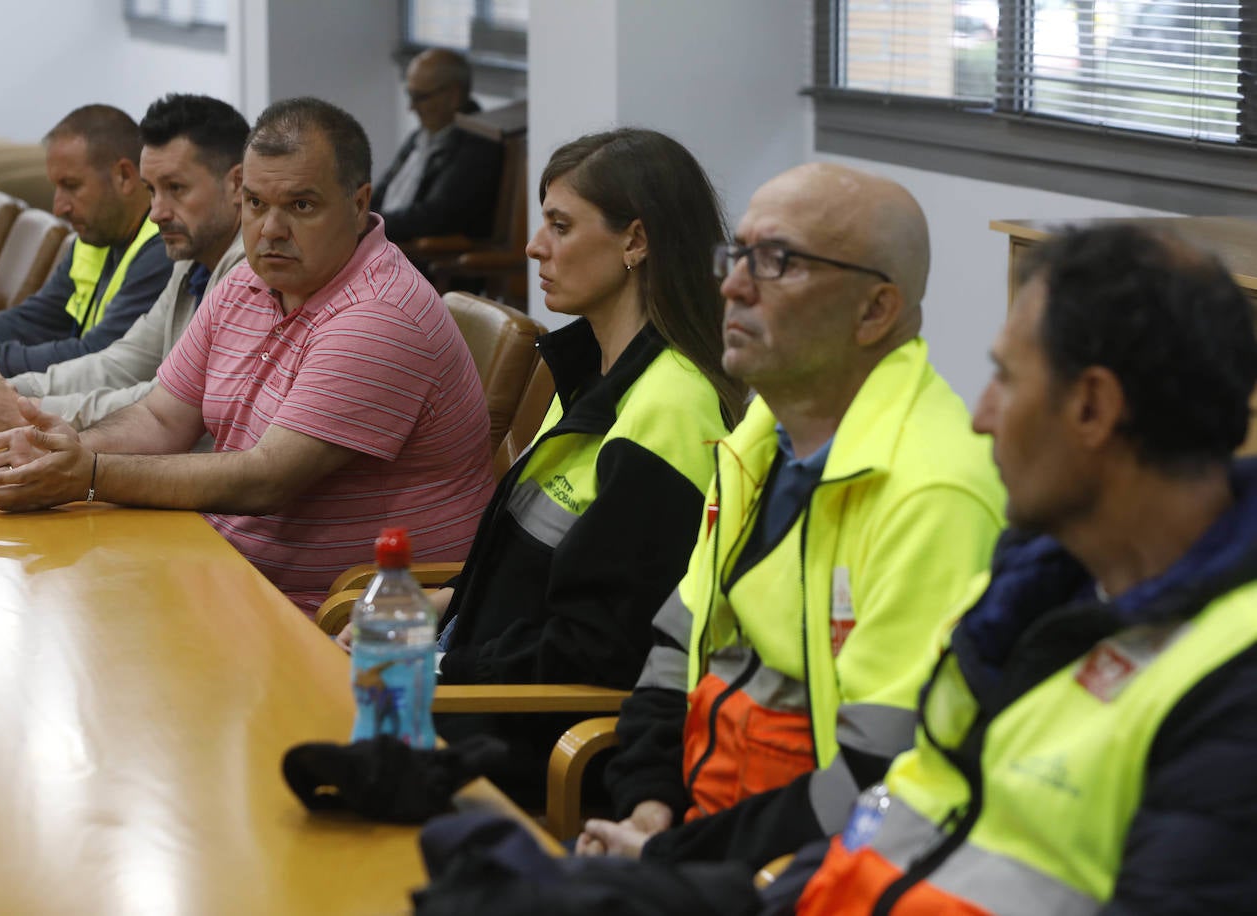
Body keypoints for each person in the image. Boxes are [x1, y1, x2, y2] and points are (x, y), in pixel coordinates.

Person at [787, 224, 1257, 914]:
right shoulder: (1033, 588)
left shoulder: (1234, 688)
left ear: (1093, 407)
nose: (980, 418)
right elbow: (890, 836)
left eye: (1005, 379)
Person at [576, 162, 1005, 869]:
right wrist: (648, 806)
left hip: (807, 874)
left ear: (875, 311)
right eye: (738, 254)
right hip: (697, 833)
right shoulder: (760, 432)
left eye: (777, 262)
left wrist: (672, 854)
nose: (734, 285)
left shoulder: (933, 492)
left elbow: (882, 779)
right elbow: (676, 651)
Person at [0, 97, 496, 614]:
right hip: (220, 565)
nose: (271, 230)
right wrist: (62, 452)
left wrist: (89, 472)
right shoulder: (244, 281)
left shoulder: (380, 313)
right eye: (257, 205)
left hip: (337, 617)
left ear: (358, 206)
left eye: (301, 206)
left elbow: (267, 479)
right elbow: (159, 416)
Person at [344, 128, 747, 804]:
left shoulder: (671, 410)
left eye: (559, 225)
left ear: (635, 242)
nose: (534, 246)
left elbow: (598, 649)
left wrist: (437, 663)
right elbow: (530, 578)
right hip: (481, 696)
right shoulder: (599, 376)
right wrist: (428, 610)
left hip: (524, 740)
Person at [0, 93, 250, 435]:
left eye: (176, 188)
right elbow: (122, 363)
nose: (158, 210)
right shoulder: (192, 261)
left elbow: (165, 408)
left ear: (236, 184)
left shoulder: (249, 275)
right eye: (153, 190)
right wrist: (14, 388)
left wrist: (23, 409)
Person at [0, 105, 173, 384]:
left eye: (71, 186)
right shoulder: (97, 236)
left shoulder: (163, 250)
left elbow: (96, 358)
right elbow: (37, 319)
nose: (59, 207)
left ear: (123, 175)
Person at [371, 48, 502, 242]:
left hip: (424, 259)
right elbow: (381, 193)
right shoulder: (420, 136)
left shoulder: (478, 145)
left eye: (420, 97)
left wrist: (370, 225)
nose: (411, 107)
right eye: (410, 95)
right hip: (388, 242)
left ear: (453, 96)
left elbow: (435, 217)